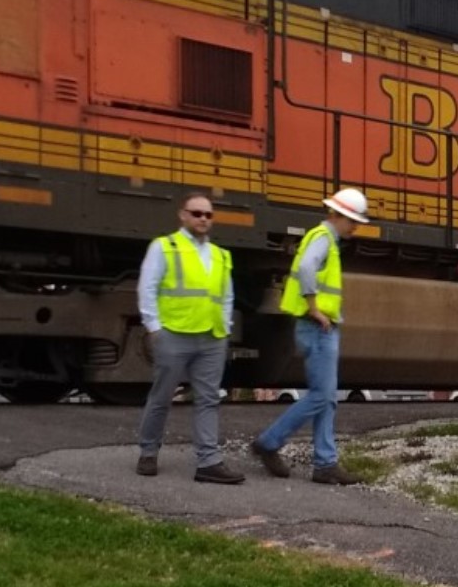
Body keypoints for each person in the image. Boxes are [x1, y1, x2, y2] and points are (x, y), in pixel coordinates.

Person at [250, 188, 371, 485]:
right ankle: (269, 442)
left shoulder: (327, 240)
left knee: (327, 398)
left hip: (318, 326)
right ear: (337, 215)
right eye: (352, 220)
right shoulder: (322, 238)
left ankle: (325, 463)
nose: (355, 226)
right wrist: (315, 309)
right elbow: (305, 268)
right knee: (321, 396)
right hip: (317, 327)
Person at [135, 191, 240, 483]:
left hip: (211, 337)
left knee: (208, 399)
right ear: (183, 215)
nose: (203, 219)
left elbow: (226, 295)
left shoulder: (220, 254)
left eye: (208, 215)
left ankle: (208, 462)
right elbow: (148, 287)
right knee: (161, 397)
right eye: (197, 213)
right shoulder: (165, 247)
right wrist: (154, 328)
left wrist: (226, 326)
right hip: (174, 335)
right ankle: (148, 452)